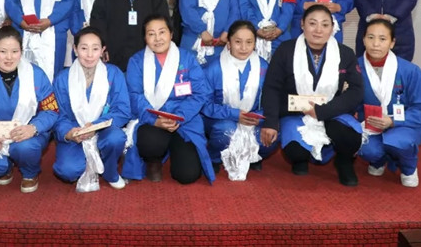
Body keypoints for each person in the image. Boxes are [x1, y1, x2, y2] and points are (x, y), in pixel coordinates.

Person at [260, 4, 364, 186]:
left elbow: (356, 91)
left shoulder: (345, 53)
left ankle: (344, 162)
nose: (318, 30)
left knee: (349, 137)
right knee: (295, 151)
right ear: (302, 24)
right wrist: (270, 122)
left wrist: (322, 111)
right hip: (295, 111)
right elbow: (271, 87)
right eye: (312, 23)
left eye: (325, 24)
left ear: (332, 27)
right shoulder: (286, 50)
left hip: (331, 111)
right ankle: (301, 159)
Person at [122, 14, 214, 185]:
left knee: (187, 175)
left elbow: (200, 93)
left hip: (184, 120)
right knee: (149, 142)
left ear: (171, 34)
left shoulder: (187, 58)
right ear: (145, 38)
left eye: (162, 32)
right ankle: (153, 161)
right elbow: (134, 96)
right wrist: (154, 120)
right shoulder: (136, 61)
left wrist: (179, 116)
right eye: (151, 34)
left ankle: (175, 149)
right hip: (153, 119)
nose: (157, 38)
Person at [0, 26, 58, 193]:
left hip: (29, 136)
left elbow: (51, 110)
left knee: (25, 148)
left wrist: (33, 128)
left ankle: (30, 174)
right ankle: (5, 168)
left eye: (15, 51)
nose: (9, 57)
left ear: (21, 51)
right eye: (3, 51)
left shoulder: (37, 75)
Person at [356, 19, 421, 187]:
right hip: (370, 124)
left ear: (392, 43)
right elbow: (350, 104)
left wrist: (392, 121)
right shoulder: (355, 68)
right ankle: (378, 160)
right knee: (365, 147)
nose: (376, 44)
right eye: (370, 37)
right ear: (363, 40)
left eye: (382, 39)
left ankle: (408, 167)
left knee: (398, 141)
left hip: (405, 125)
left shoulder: (409, 70)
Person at [52, 27, 131, 191]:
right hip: (75, 132)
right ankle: (85, 162)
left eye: (95, 49)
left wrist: (95, 126)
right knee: (67, 171)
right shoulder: (62, 78)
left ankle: (110, 172)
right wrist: (69, 133)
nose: (89, 55)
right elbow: (58, 115)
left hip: (104, 130)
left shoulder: (113, 73)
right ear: (75, 49)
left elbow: (122, 110)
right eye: (84, 48)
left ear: (102, 50)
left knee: (115, 138)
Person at [202, 21, 274, 180]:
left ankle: (253, 155)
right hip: (220, 119)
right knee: (226, 130)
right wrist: (234, 114)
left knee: (272, 135)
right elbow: (205, 105)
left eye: (249, 42)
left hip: (253, 119)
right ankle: (215, 156)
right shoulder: (213, 68)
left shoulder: (263, 67)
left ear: (255, 44)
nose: (243, 47)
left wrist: (259, 116)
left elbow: (271, 99)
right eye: (238, 42)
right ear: (228, 43)